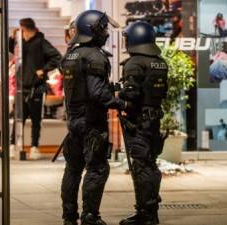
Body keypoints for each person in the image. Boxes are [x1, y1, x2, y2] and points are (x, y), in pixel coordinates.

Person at [60, 10, 128, 225]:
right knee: (97, 169)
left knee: (72, 169)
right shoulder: (95, 56)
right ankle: (90, 216)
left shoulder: (70, 55)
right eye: (103, 28)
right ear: (93, 30)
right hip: (92, 123)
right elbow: (98, 93)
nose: (106, 32)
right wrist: (120, 103)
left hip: (74, 122)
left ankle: (69, 216)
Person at [118, 21, 168, 225]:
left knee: (141, 167)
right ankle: (150, 210)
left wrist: (118, 96)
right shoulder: (160, 62)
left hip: (138, 121)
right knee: (150, 164)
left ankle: (145, 215)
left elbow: (131, 94)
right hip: (154, 120)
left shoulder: (134, 63)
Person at [9, 18, 62, 159]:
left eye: (21, 29)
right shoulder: (21, 44)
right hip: (21, 89)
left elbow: (57, 57)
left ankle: (34, 147)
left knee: (35, 120)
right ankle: (13, 145)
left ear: (25, 29)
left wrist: (44, 70)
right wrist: (12, 38)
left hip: (36, 88)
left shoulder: (41, 42)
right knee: (17, 119)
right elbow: (10, 49)